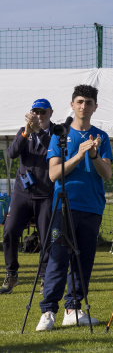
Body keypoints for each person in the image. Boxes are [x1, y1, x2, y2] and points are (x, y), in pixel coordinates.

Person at [36, 85, 112, 331]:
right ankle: (48, 311)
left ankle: (73, 309)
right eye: (79, 101)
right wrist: (79, 156)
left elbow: (107, 174)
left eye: (88, 102)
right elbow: (54, 174)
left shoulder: (101, 135)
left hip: (92, 206)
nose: (83, 106)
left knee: (84, 261)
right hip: (64, 206)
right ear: (72, 105)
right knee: (58, 258)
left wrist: (93, 155)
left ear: (95, 107)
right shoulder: (60, 135)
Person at [1, 99, 55, 295]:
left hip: (46, 194)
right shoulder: (24, 131)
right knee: (9, 231)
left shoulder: (56, 131)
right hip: (22, 192)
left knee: (46, 237)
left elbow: (54, 150)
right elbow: (12, 152)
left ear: (50, 112)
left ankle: (44, 278)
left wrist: (38, 131)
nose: (39, 116)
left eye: (43, 112)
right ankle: (12, 273)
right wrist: (26, 131)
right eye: (36, 112)